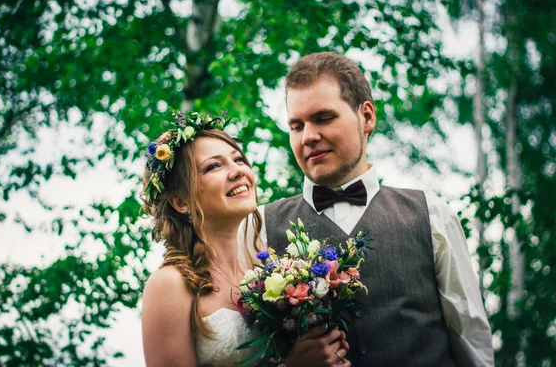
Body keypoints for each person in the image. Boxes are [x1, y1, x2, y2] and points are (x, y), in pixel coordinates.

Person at [242, 52, 494, 366]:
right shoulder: (259, 225)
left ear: (367, 117)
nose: (308, 137)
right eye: (296, 125)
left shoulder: (431, 214)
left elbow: (472, 342)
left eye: (323, 118)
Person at [141, 111, 350, 367]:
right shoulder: (170, 285)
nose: (237, 171)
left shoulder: (270, 272)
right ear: (181, 201)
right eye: (214, 166)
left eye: (238, 159)